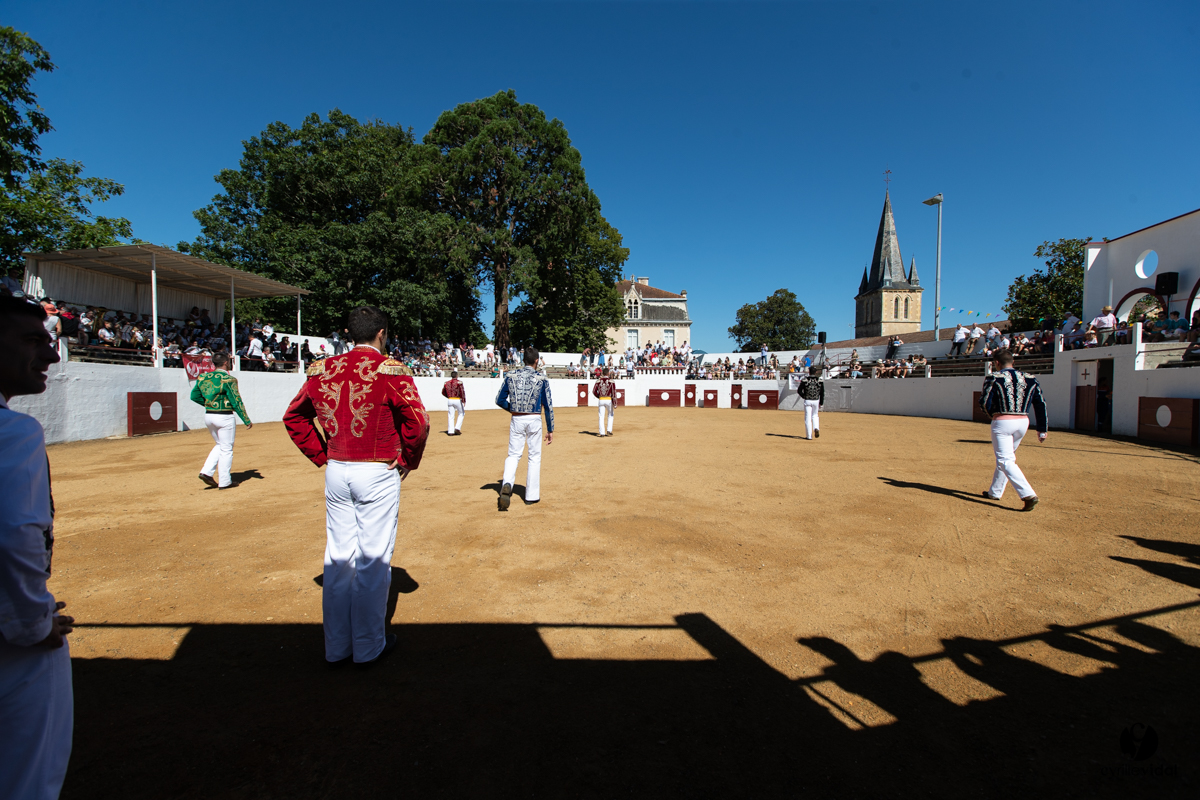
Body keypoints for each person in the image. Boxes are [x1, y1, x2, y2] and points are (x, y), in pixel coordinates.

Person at [283, 306, 430, 666]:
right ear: (381, 333)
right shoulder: (389, 369)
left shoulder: (322, 369)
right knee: (373, 560)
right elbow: (419, 422)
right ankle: (367, 647)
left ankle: (336, 648)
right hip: (377, 470)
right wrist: (407, 459)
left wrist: (323, 455)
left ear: (349, 334)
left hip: (337, 468)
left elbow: (294, 417)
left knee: (338, 558)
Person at [0, 296, 75, 800]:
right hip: (11, 640)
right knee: (28, 778)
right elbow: (14, 532)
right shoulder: (13, 432)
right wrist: (32, 620)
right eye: (32, 341)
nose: (50, 357)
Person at [978, 348, 1047, 511]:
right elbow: (1040, 403)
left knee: (1005, 459)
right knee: (1007, 457)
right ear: (1013, 361)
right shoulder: (1030, 378)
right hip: (1023, 422)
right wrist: (1042, 428)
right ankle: (995, 492)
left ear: (996, 363)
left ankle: (1028, 494)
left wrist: (992, 415)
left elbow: (984, 402)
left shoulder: (994, 377)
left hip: (1002, 421)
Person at [495, 346, 554, 510]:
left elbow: (499, 400)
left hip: (517, 419)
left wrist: (513, 408)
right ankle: (531, 496)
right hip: (534, 418)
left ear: (523, 360)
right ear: (537, 361)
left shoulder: (510, 376)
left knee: (513, 454)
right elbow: (548, 405)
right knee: (534, 456)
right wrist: (550, 429)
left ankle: (507, 482)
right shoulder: (542, 379)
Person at [191, 352, 252, 489]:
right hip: (224, 416)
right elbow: (236, 401)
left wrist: (210, 403)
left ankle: (206, 472)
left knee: (220, 444)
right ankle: (225, 481)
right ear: (225, 363)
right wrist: (246, 419)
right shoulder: (228, 379)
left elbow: (194, 396)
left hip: (209, 415)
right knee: (226, 448)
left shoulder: (203, 377)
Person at [798, 366, 824, 440]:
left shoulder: (805, 380)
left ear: (809, 372)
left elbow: (799, 390)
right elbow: (822, 392)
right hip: (816, 400)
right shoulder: (819, 380)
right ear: (816, 372)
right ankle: (816, 427)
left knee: (808, 418)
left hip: (808, 400)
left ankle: (809, 436)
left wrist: (804, 396)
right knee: (815, 415)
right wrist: (821, 402)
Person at [593, 368, 617, 437]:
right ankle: (609, 431)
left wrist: (599, 397)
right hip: (609, 400)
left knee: (601, 416)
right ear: (608, 373)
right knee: (610, 415)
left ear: (602, 373)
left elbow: (594, 391)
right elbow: (614, 393)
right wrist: (615, 403)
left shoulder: (598, 381)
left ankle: (602, 433)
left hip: (601, 400)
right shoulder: (611, 381)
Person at [441, 370, 466, 436]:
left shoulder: (446, 383)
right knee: (461, 413)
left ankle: (450, 431)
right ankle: (457, 428)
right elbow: (462, 391)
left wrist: (449, 396)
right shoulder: (459, 382)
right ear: (457, 376)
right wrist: (463, 400)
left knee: (450, 415)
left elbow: (443, 392)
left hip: (450, 399)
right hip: (457, 399)